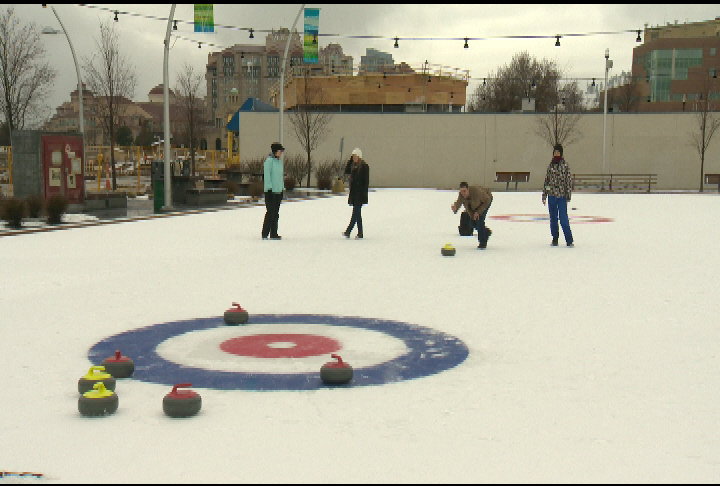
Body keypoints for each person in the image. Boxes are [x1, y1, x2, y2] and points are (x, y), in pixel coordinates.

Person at [541, 143, 574, 247]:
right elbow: (547, 181)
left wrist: (568, 195)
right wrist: (545, 194)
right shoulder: (550, 166)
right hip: (552, 196)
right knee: (553, 218)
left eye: (558, 152)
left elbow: (568, 181)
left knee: (563, 218)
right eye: (555, 152)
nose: (556, 154)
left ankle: (569, 239)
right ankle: (555, 237)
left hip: (561, 196)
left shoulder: (565, 166)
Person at [451, 182, 493, 249]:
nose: (463, 193)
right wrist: (455, 207)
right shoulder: (462, 195)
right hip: (474, 206)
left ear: (468, 190)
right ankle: (486, 232)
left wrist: (478, 212)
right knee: (472, 223)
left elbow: (487, 200)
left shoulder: (477, 192)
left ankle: (482, 243)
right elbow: (458, 202)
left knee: (479, 220)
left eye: (464, 191)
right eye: (461, 191)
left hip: (485, 201)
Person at [342, 148, 369, 239]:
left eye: (355, 156)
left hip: (360, 194)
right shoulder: (353, 167)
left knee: (355, 213)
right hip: (354, 194)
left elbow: (366, 182)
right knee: (357, 214)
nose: (354, 158)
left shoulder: (364, 167)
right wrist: (350, 161)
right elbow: (346, 171)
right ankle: (360, 233)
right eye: (353, 156)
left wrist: (364, 195)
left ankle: (348, 231)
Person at [261, 142, 284, 240]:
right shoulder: (269, 161)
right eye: (280, 151)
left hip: (278, 191)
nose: (281, 153)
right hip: (270, 192)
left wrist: (282, 188)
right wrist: (269, 188)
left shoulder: (279, 163)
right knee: (270, 212)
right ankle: (265, 233)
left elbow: (280, 177)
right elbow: (267, 176)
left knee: (276, 213)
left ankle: (274, 233)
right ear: (275, 151)